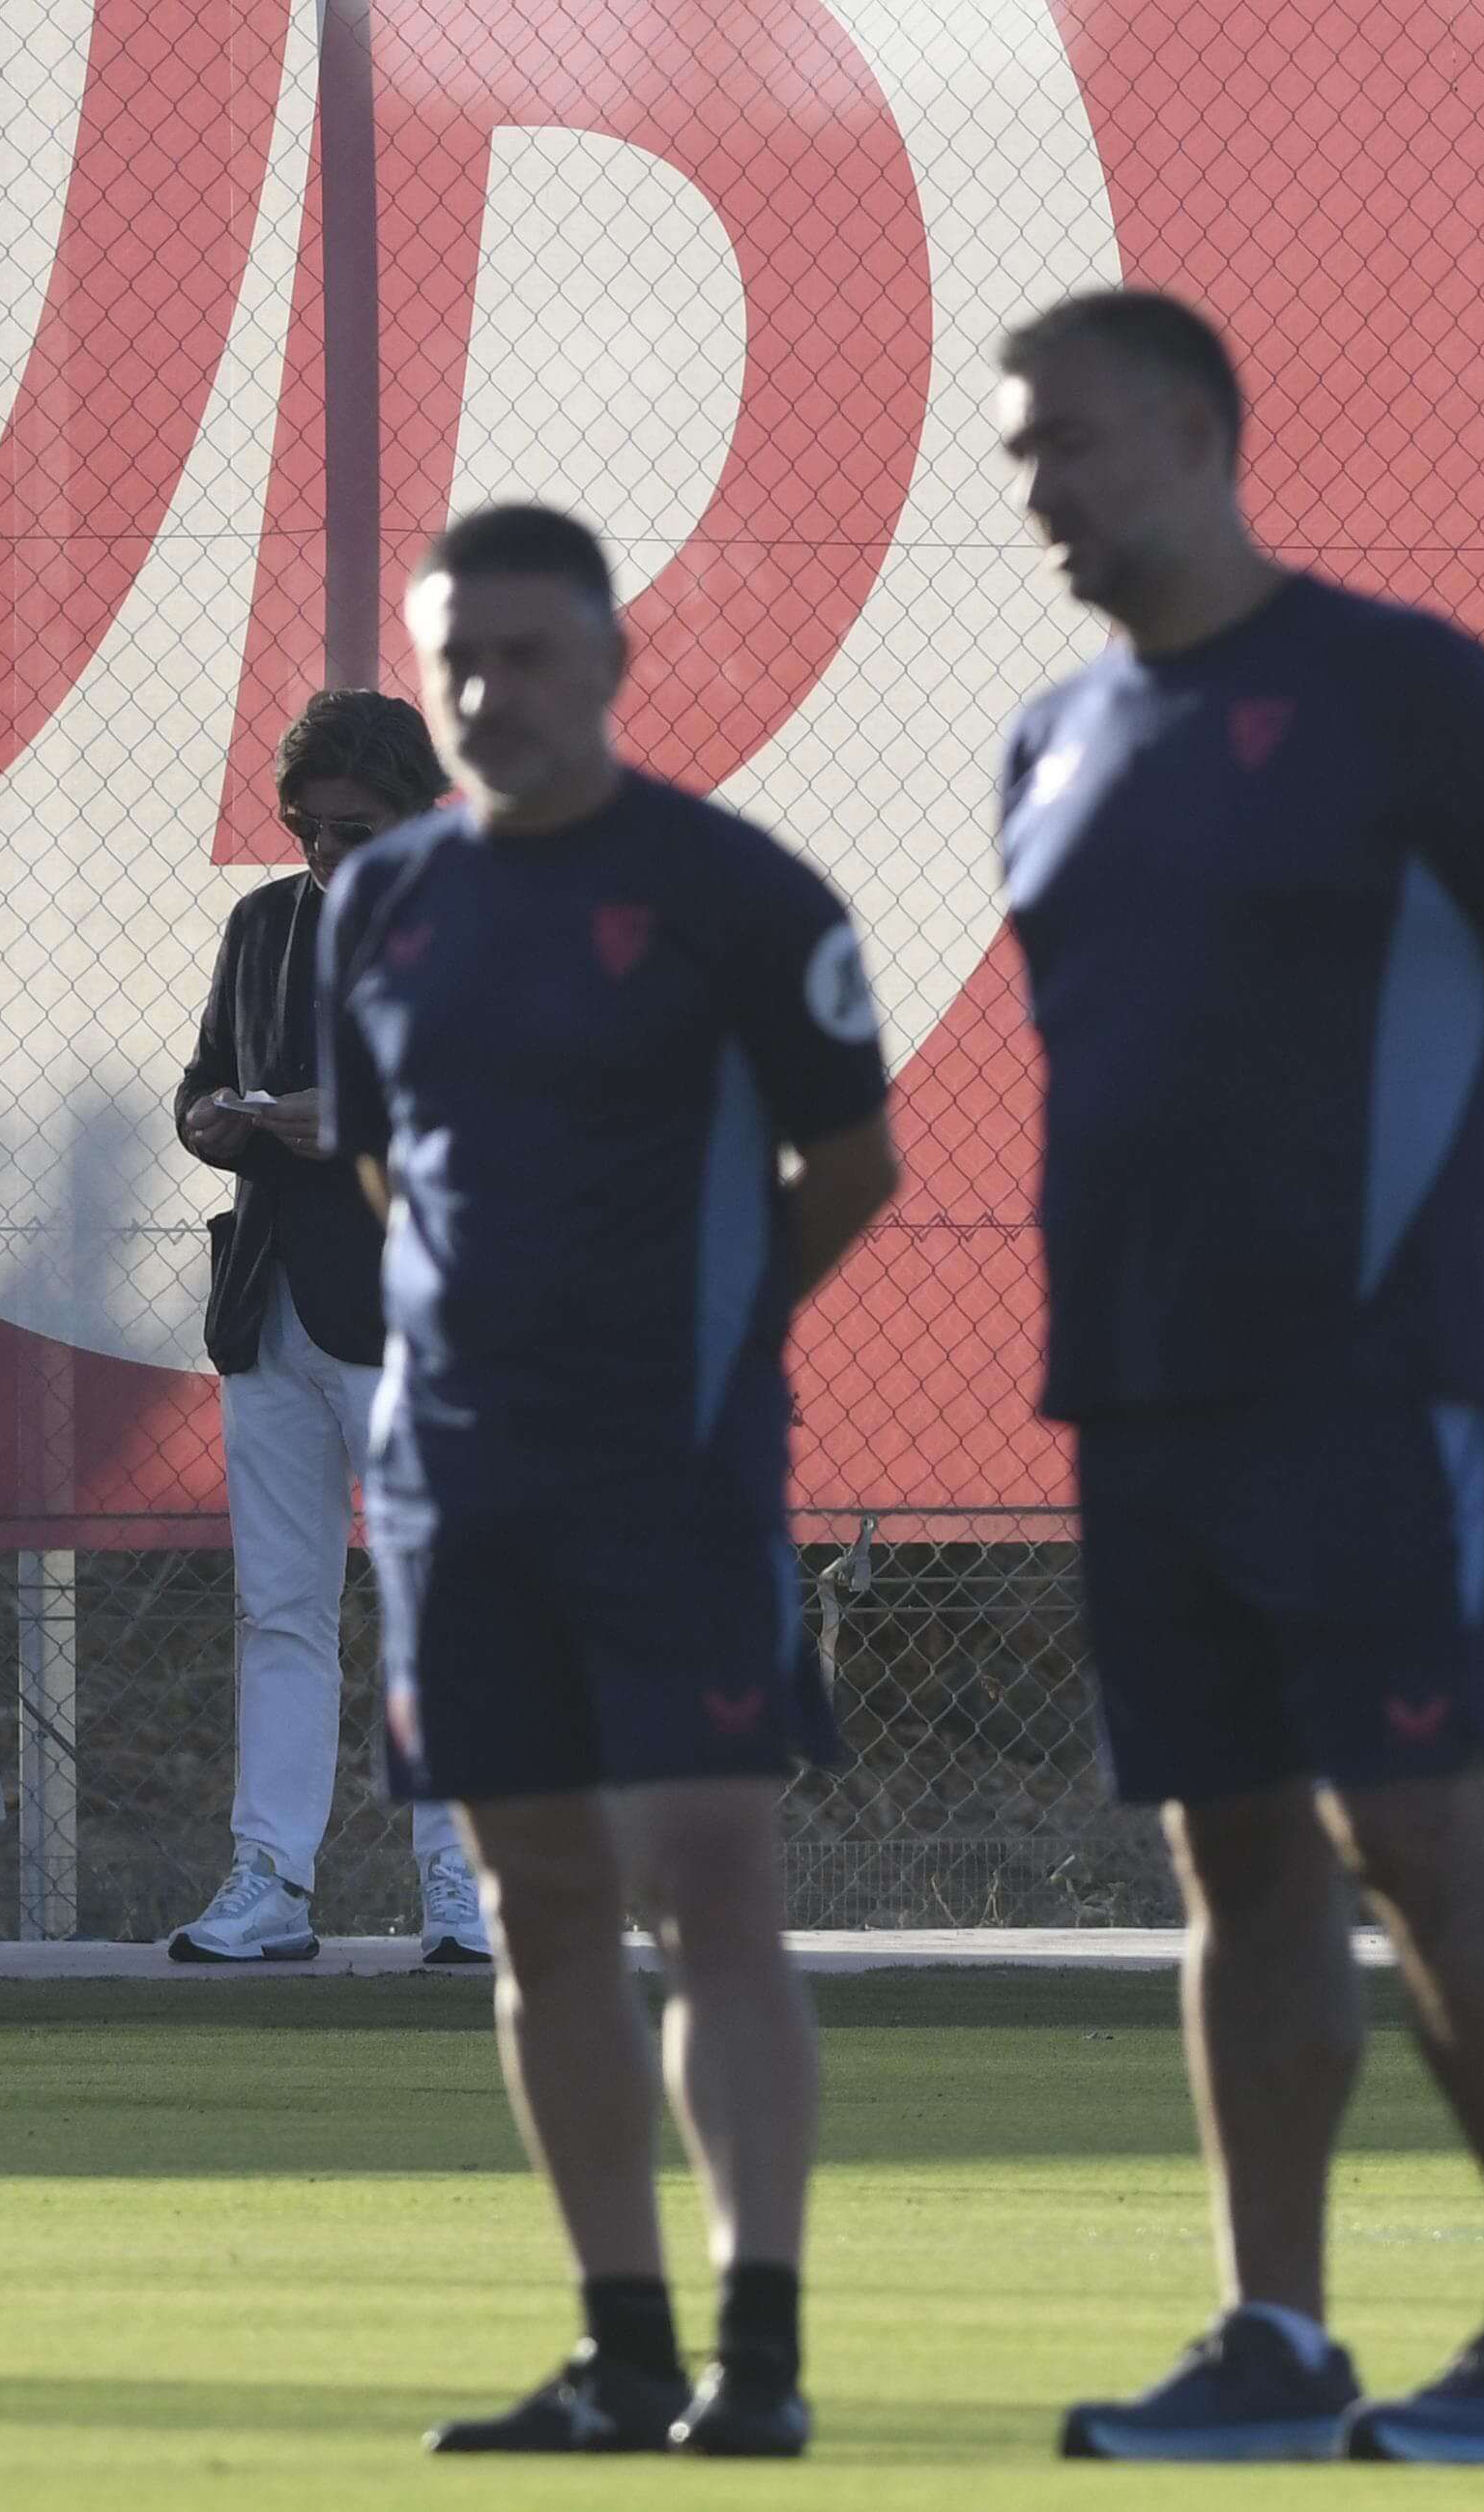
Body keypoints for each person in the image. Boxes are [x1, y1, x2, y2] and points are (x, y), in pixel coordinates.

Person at [989, 290, 1484, 2464]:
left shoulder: (1406, 690)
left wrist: (1445, 1204)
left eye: (1068, 444)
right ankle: (1274, 2344)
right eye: (1021, 455)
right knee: (1234, 1858)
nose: (1040, 491)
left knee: (1416, 1833)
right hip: (1143, 1384)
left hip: (1365, 1373)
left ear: (1192, 429)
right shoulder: (1054, 739)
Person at [320, 505, 903, 2456]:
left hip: (676, 1481)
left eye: (528, 652)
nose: (492, 690)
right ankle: (623, 2347)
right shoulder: (379, 901)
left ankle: (762, 2353)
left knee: (715, 1890)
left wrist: (707, 1355)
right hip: (460, 1491)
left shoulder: (740, 895)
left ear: (613, 658)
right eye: (456, 657)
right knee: (540, 1907)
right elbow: (392, 1171)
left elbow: (853, 1171)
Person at [168, 690, 487, 1968]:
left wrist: (348, 1118)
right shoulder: (263, 922)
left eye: (354, 831)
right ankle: (271, 1876)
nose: (323, 854)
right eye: (305, 828)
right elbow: (200, 1079)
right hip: (272, 1302)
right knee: (279, 1605)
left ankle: (461, 1878)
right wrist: (211, 1122)